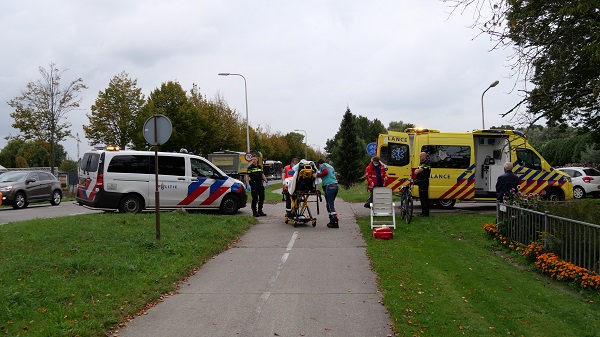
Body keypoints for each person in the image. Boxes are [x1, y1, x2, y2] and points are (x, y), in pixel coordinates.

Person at [316, 158, 339, 228]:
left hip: (329, 186)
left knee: (329, 204)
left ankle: (334, 220)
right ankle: (332, 219)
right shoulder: (331, 166)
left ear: (319, 164)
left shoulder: (322, 165)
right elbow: (335, 175)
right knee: (330, 203)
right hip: (335, 185)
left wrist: (317, 175)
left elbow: (325, 172)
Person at [414, 152, 431, 216]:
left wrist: (417, 171)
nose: (420, 157)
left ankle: (426, 213)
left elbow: (418, 171)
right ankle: (423, 212)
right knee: (421, 197)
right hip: (420, 182)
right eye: (419, 156)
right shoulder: (421, 163)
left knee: (424, 198)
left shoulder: (427, 163)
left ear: (424, 156)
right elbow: (416, 171)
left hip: (424, 182)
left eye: (421, 156)